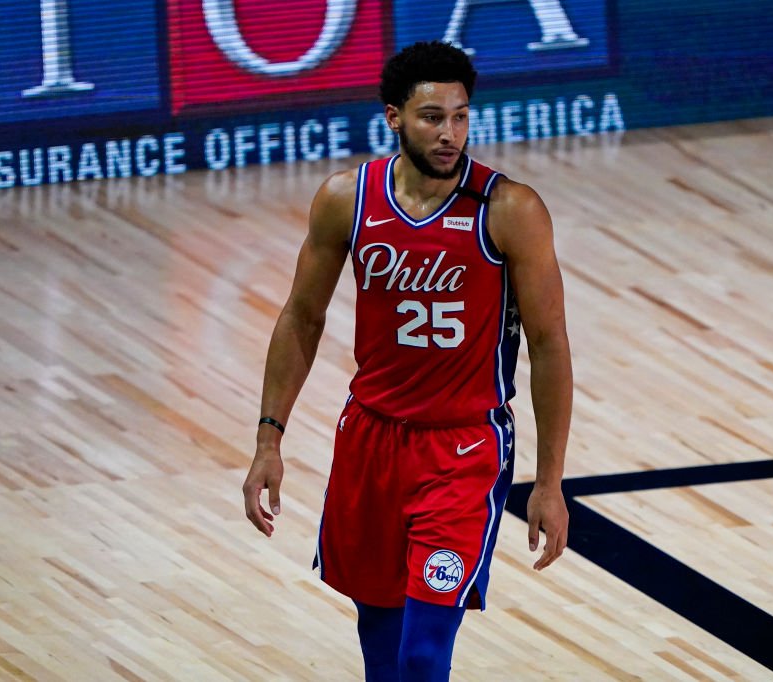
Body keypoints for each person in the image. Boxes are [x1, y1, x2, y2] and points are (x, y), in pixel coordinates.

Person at [242, 40, 572, 681]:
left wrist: (550, 481)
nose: (450, 134)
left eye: (460, 115)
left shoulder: (510, 210)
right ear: (394, 117)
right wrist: (268, 441)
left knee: (423, 654)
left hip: (463, 448)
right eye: (431, 117)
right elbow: (301, 318)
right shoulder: (347, 198)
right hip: (371, 437)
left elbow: (550, 344)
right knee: (381, 646)